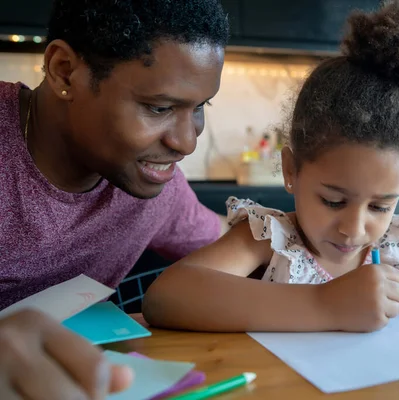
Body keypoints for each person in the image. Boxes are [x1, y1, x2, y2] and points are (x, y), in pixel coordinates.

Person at [143, 0, 399, 334]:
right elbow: (165, 298)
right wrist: (326, 305)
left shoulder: (397, 243)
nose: (355, 229)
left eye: (379, 206)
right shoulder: (270, 238)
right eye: (333, 200)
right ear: (291, 169)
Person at [0, 0, 229, 398]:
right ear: (64, 71)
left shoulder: (155, 185)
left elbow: (229, 246)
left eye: (199, 108)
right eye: (159, 107)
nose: (187, 142)